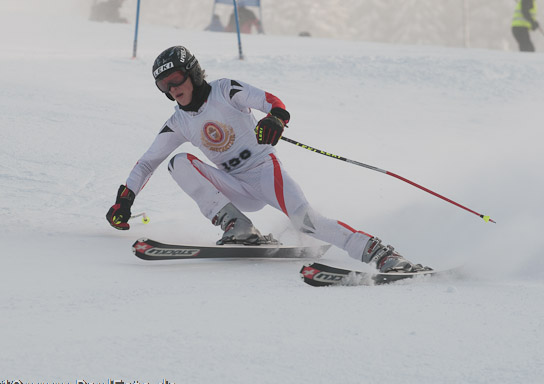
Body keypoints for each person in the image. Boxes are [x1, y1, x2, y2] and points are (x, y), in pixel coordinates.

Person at [106, 46, 428, 274]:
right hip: (234, 187)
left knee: (307, 222)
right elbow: (147, 163)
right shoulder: (178, 121)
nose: (172, 89)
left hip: (263, 173)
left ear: (191, 72)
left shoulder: (224, 90)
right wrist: (125, 199)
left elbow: (271, 101)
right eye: (164, 85)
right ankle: (238, 227)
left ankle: (380, 253)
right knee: (179, 163)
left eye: (176, 79)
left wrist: (275, 119)